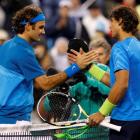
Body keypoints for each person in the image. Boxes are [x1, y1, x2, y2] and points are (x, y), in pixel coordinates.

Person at [0, 4, 97, 124]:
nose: (43, 31)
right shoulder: (22, 51)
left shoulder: (7, 45)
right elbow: (45, 84)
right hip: (14, 121)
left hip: (6, 117)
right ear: (28, 26)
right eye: (40, 27)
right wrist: (76, 66)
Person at [69, 5, 140, 140]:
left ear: (120, 21)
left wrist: (102, 113)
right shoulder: (138, 46)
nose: (109, 26)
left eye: (111, 21)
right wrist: (89, 67)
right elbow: (116, 81)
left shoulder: (119, 47)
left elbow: (121, 84)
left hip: (125, 121)